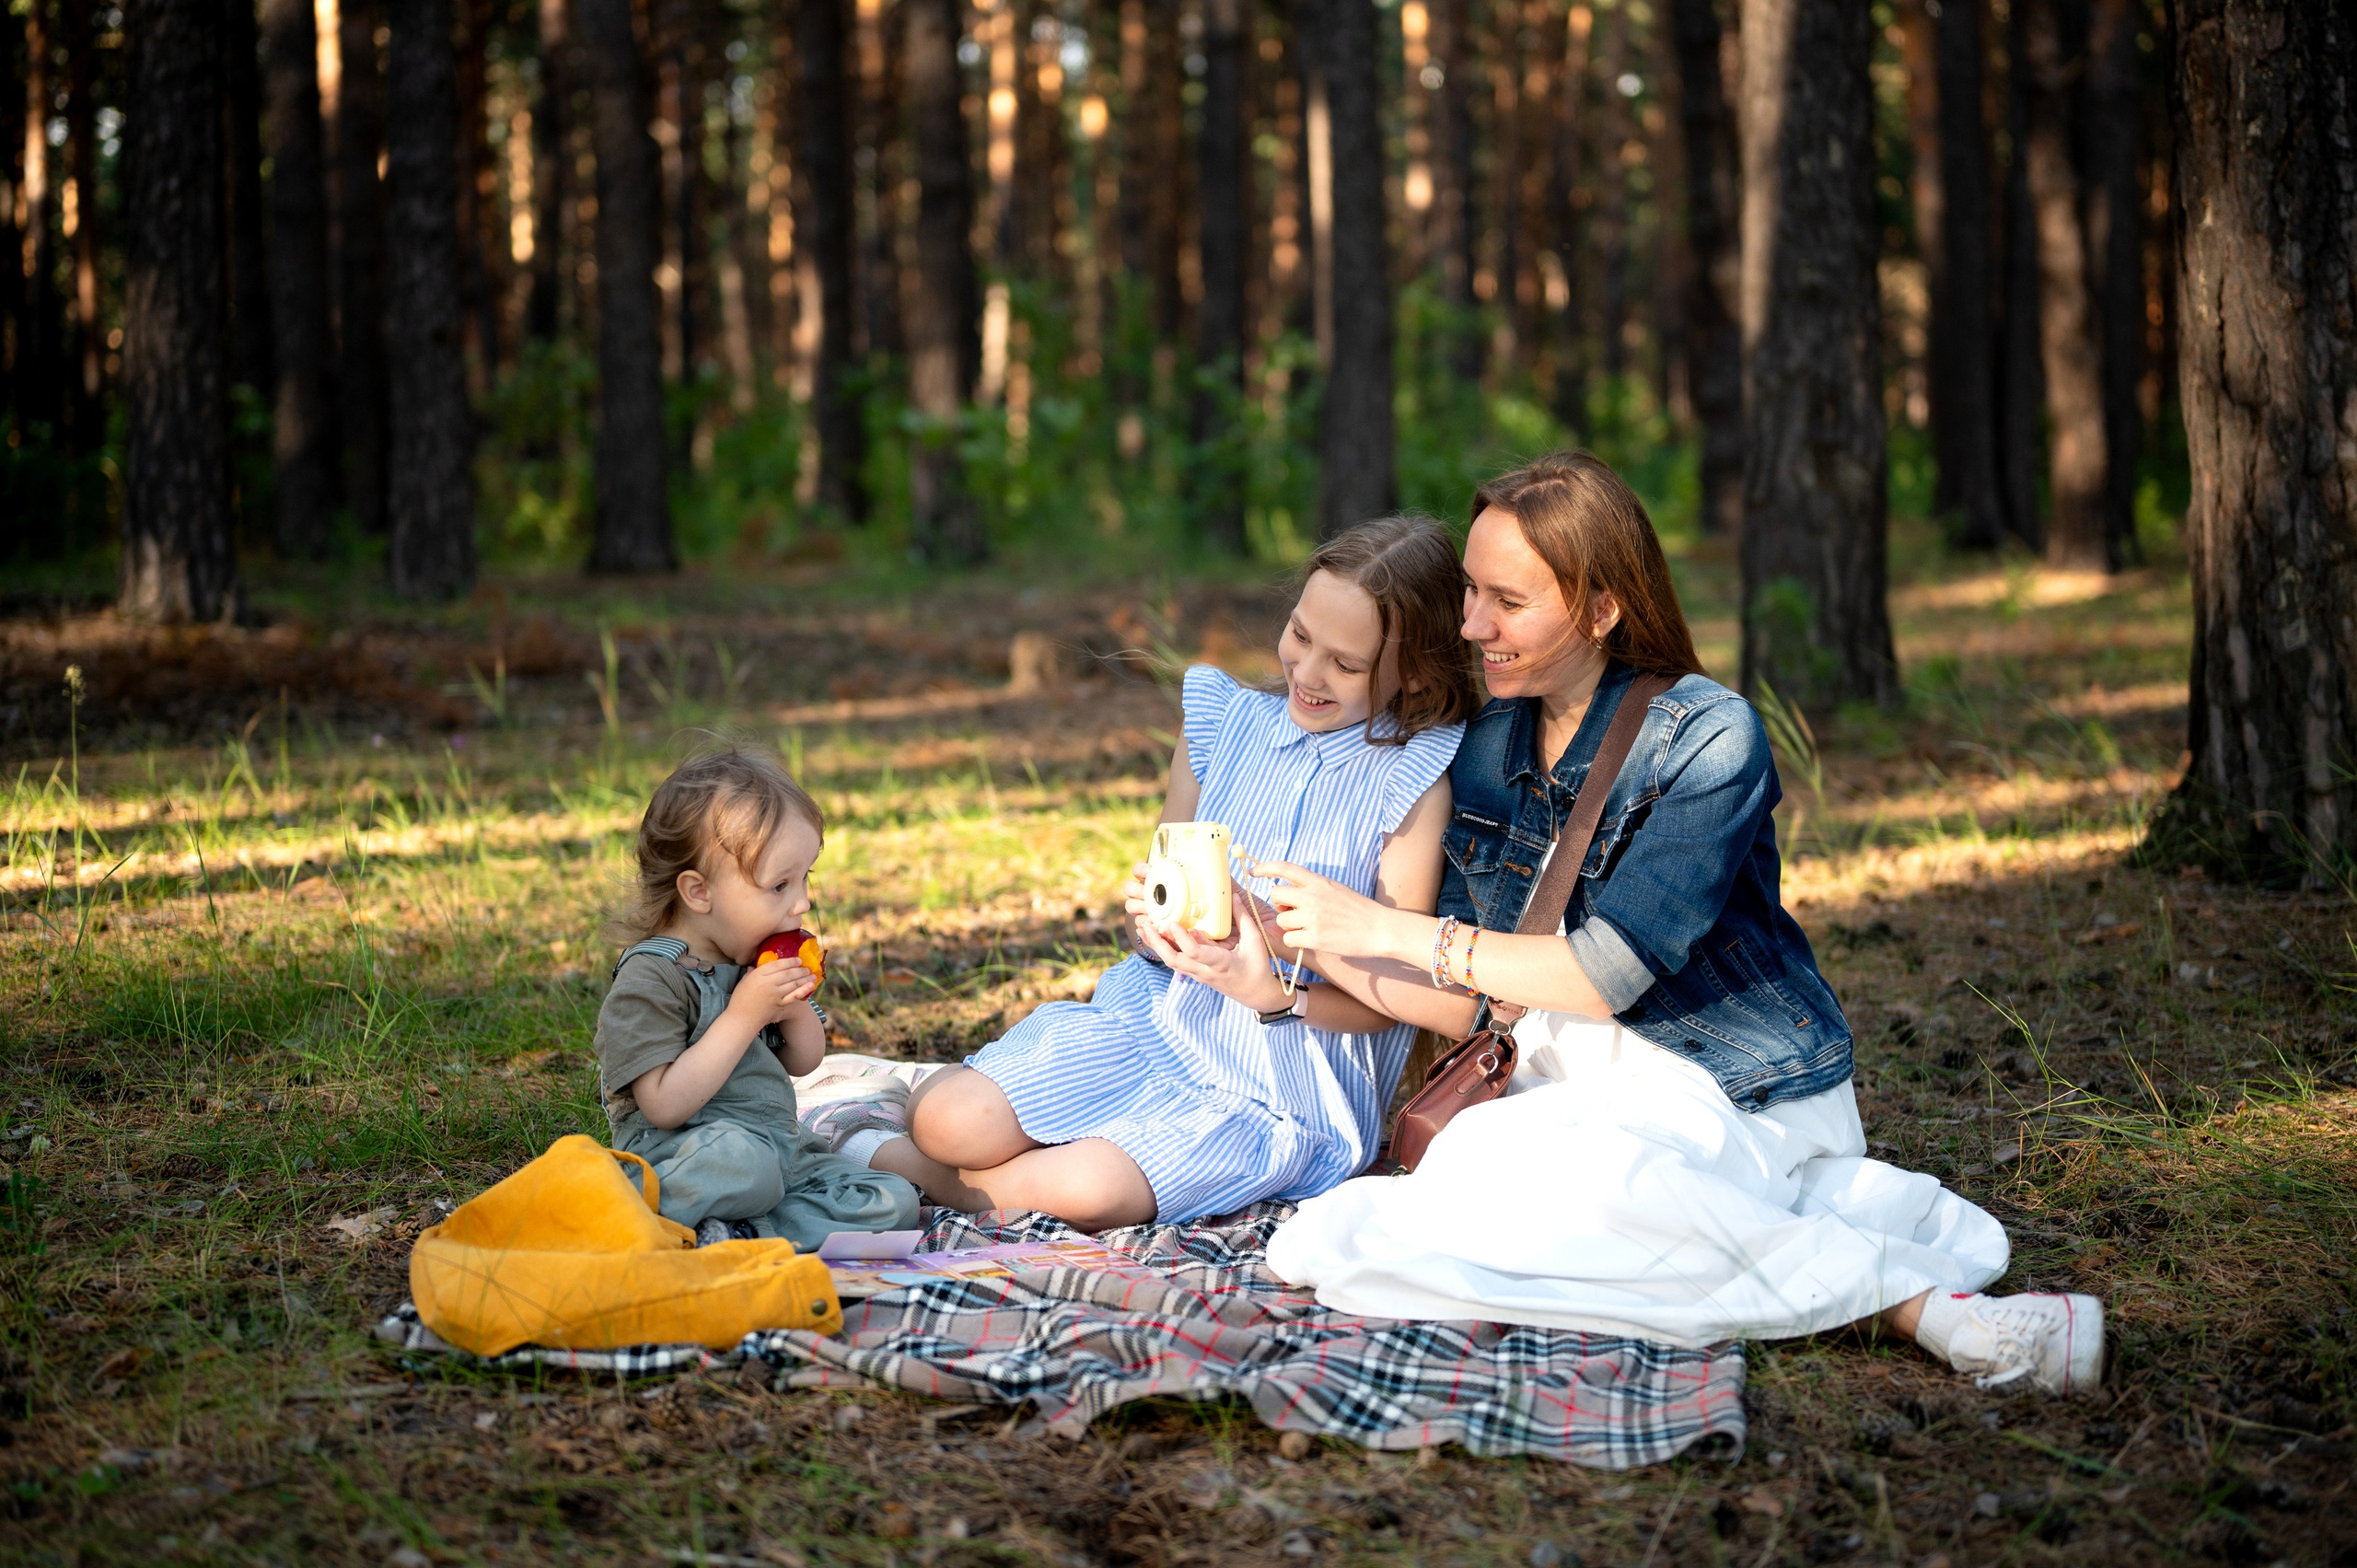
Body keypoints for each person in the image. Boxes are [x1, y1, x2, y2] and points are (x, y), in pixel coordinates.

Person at [1252, 453, 2104, 1396]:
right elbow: (1470, 1005)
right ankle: (1806, 1237)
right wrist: (1290, 964)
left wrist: (1382, 928)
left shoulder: (1708, 735)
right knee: (1386, 1213)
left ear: (1602, 608)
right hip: (1564, 1091)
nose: (1471, 626)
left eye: (1506, 600)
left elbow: (1600, 975)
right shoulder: (1486, 744)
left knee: (1487, 1190)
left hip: (1724, 1078)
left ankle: (1931, 1313)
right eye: (1467, 592)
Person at [858, 517, 1480, 1229]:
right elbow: (1154, 909)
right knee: (945, 1119)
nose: (1307, 672)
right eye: (1301, 635)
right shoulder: (1225, 722)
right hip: (1158, 1017)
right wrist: (1154, 918)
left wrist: (1272, 989)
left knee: (1091, 1189)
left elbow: (1395, 996)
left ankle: (963, 1188)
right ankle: (961, 1150)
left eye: (1345, 663)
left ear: (1415, 672)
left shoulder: (1411, 783)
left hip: (1284, 1076)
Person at [594, 748, 922, 1249]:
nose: (803, 902)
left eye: (805, 877)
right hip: (687, 1156)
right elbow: (662, 1105)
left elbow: (804, 1061)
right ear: (699, 893)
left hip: (779, 1151)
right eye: (779, 885)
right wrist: (745, 1013)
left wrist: (789, 1006)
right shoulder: (652, 977)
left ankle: (734, 1232)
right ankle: (616, 1207)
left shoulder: (754, 962)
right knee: (745, 1167)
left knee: (895, 1201)